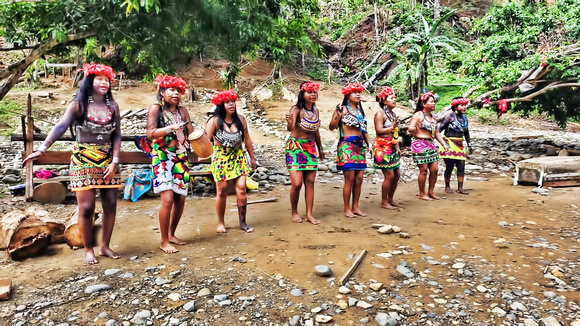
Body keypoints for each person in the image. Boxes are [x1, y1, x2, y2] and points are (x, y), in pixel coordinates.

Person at [23, 63, 122, 264]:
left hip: (108, 160)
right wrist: (42, 149)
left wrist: (116, 161)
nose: (104, 83)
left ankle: (104, 246)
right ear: (89, 81)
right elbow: (61, 126)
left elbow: (117, 135)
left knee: (111, 204)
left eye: (107, 79)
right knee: (86, 208)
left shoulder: (113, 106)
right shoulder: (78, 104)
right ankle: (88, 249)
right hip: (82, 159)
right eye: (99, 79)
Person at [145, 74, 194, 254]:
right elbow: (150, 133)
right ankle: (164, 241)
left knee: (180, 198)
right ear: (162, 91)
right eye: (171, 90)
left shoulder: (183, 111)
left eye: (178, 91)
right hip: (163, 157)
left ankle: (172, 234)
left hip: (181, 157)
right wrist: (169, 129)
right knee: (167, 199)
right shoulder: (155, 109)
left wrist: (197, 137)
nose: (176, 94)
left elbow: (190, 132)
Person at [205, 89, 257, 233]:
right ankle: (221, 223)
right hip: (221, 158)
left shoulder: (241, 120)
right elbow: (204, 141)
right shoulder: (214, 121)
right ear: (221, 105)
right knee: (221, 192)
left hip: (238, 157)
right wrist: (203, 155)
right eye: (227, 102)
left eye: (232, 101)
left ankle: (243, 222)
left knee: (241, 189)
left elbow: (247, 140)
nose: (231, 104)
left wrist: (252, 158)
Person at [285, 82, 325, 224]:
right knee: (296, 183)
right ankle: (294, 212)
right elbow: (290, 128)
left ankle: (309, 214)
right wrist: (290, 122)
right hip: (295, 148)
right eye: (309, 92)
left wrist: (320, 148)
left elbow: (316, 131)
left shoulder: (316, 110)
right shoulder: (296, 109)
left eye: (314, 92)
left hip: (311, 148)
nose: (313, 95)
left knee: (310, 182)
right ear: (302, 94)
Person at [329, 83, 369, 218]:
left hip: (359, 146)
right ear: (347, 95)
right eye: (354, 92)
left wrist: (369, 144)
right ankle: (347, 208)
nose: (358, 95)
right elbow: (331, 126)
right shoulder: (342, 109)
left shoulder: (360, 111)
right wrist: (337, 116)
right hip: (346, 145)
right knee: (350, 178)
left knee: (359, 178)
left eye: (359, 92)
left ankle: (356, 206)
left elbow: (364, 130)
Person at [408, 91, 449, 201]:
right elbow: (410, 128)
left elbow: (436, 133)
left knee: (435, 169)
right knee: (424, 170)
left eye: (434, 102)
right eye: (431, 102)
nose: (434, 104)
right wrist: (415, 128)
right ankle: (422, 193)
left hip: (430, 144)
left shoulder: (433, 117)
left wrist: (444, 144)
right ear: (424, 104)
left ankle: (431, 191)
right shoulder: (418, 115)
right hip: (419, 143)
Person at [373, 87, 402, 209]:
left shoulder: (392, 114)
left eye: (395, 97)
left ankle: (390, 199)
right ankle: (384, 201)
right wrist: (392, 127)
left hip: (392, 145)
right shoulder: (380, 114)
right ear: (384, 101)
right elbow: (379, 130)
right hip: (382, 146)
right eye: (391, 98)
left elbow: (394, 132)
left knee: (397, 174)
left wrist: (397, 146)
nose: (394, 100)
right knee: (389, 175)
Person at [438, 97, 472, 194]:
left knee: (461, 165)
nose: (464, 107)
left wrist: (469, 144)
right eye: (462, 105)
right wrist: (442, 143)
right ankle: (447, 186)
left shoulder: (464, 118)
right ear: (455, 107)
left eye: (465, 105)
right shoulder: (449, 117)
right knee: (450, 166)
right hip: (449, 143)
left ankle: (460, 187)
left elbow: (466, 132)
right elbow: (438, 131)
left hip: (460, 144)